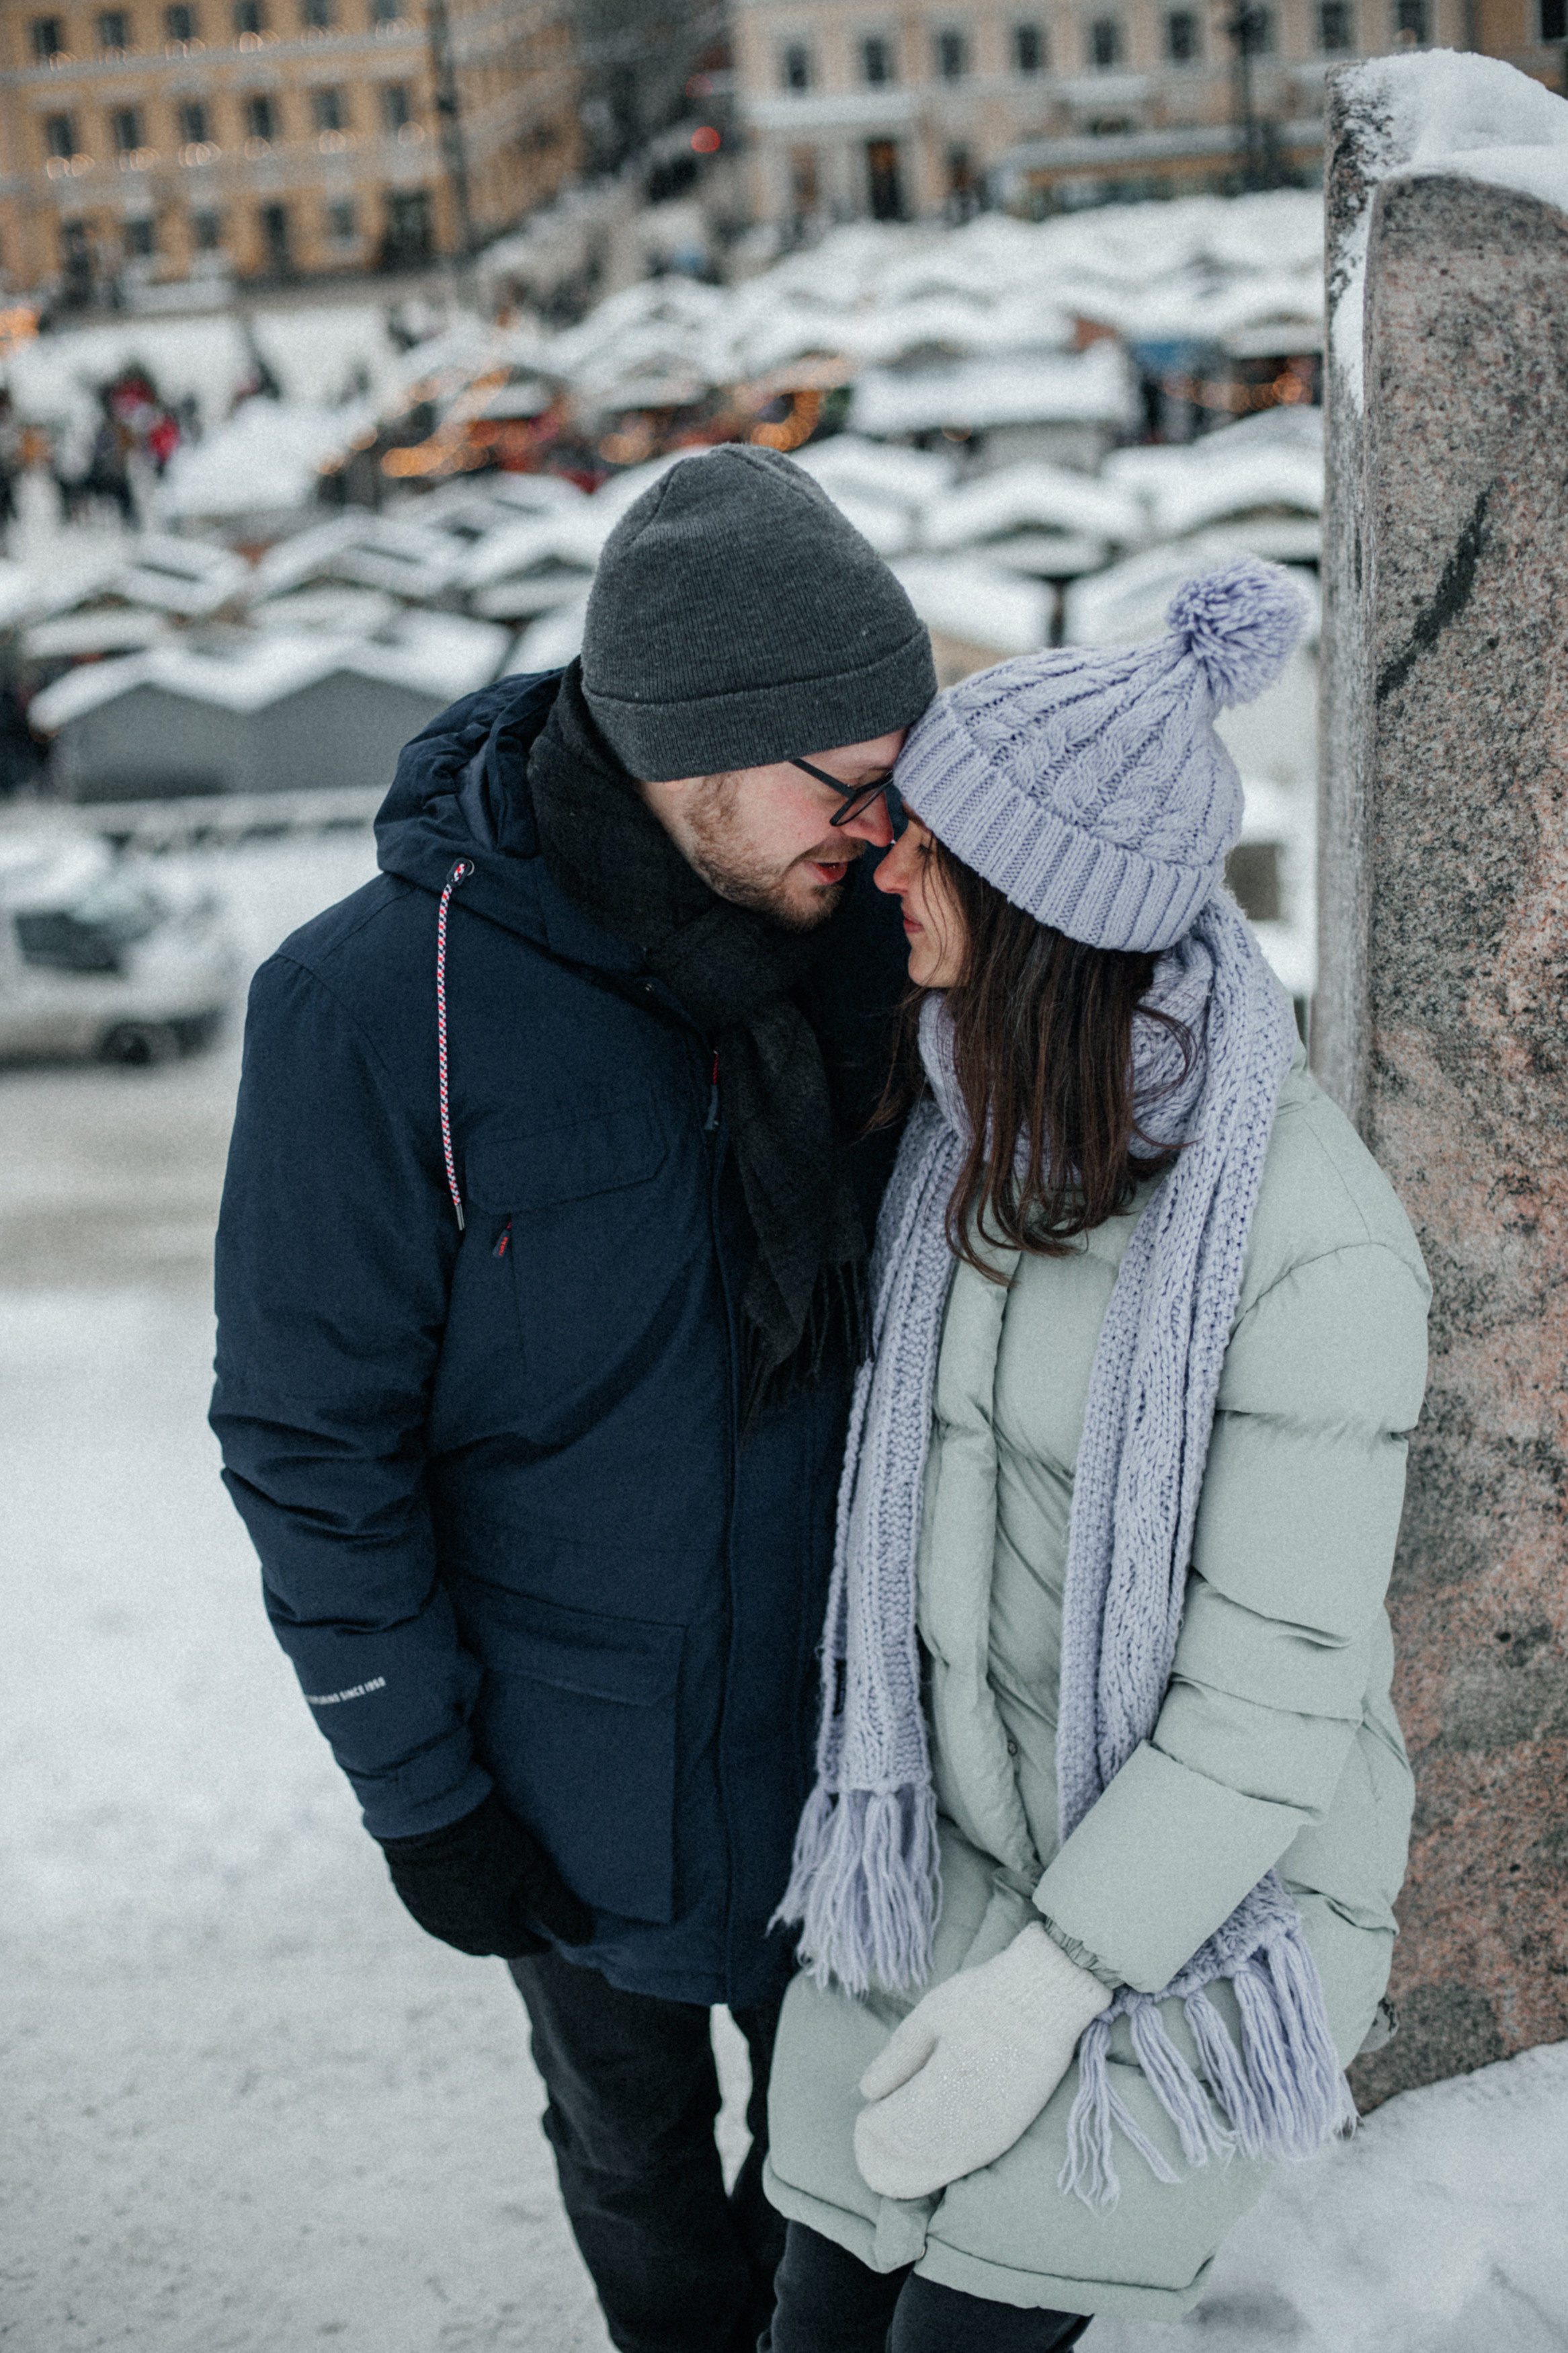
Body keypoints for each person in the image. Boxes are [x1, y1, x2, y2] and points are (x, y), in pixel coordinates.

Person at [210, 444, 938, 2353]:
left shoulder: (891, 940)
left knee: (856, 2177)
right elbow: (312, 1442)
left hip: (858, 1759)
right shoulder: (378, 1009)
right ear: (693, 749)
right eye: (847, 780)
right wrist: (422, 1791)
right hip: (563, 1784)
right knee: (636, 2165)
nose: (888, 824)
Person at [760, 559, 1430, 2348]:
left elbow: (1272, 1699)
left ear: (1039, 902)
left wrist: (1053, 1985)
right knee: (813, 2309)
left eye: (932, 846)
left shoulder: (1304, 1237)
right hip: (970, 1852)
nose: (887, 865)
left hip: (1214, 1916)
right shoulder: (967, 1136)